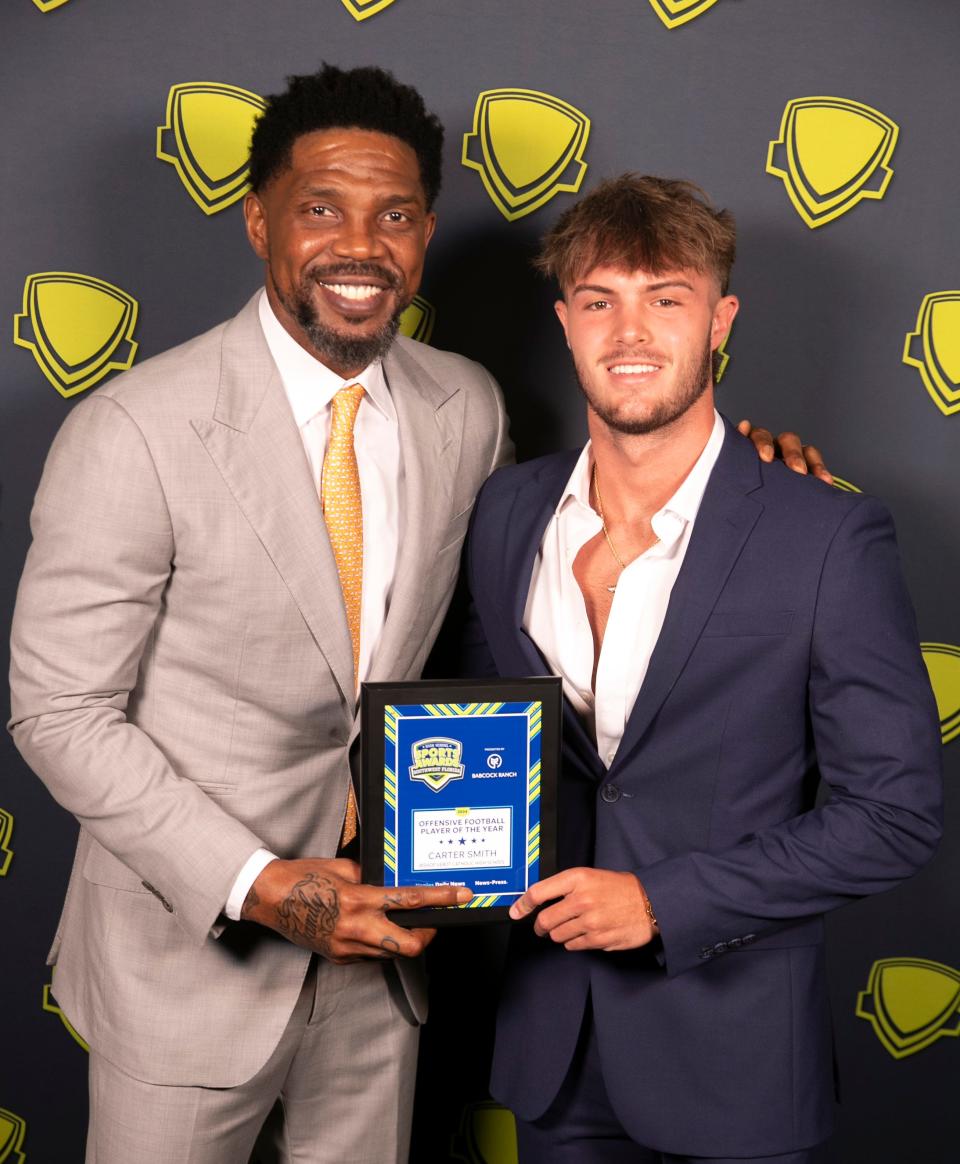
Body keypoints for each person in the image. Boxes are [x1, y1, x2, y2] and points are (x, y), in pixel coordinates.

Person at [9, 62, 827, 1162]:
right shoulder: (135, 429)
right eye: (321, 209)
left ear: (426, 233)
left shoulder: (464, 408)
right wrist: (259, 886)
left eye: (392, 215)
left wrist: (744, 477)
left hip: (390, 955)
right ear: (258, 222)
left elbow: (598, 506)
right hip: (187, 959)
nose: (361, 243)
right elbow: (59, 711)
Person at [459, 175, 943, 1163]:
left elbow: (894, 814)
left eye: (665, 299)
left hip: (737, 1061)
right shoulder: (505, 513)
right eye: (600, 301)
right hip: (552, 1049)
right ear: (564, 322)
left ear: (720, 319)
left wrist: (661, 902)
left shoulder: (826, 536)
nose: (629, 333)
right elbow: (482, 742)